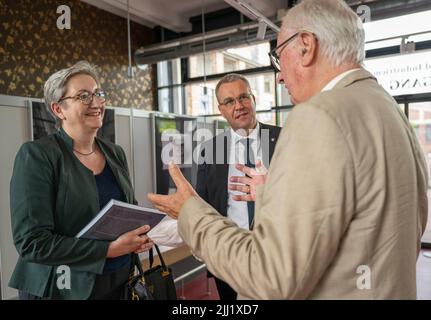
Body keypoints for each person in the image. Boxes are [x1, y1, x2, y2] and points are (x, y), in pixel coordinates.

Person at [148, 0, 428, 299]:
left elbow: (271, 277)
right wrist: (273, 195)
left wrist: (190, 212)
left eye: (279, 56)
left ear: (306, 46)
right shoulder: (387, 107)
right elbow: (373, 216)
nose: (279, 76)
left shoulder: (318, 115)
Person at [9, 61, 154, 299]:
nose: (96, 102)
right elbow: (32, 243)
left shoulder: (114, 152)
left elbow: (126, 210)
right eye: (83, 96)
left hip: (119, 281)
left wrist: (138, 235)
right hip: (62, 288)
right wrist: (108, 250)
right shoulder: (37, 155)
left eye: (98, 93)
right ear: (58, 110)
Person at [196, 73, 281, 300]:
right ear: (221, 109)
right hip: (230, 256)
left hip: (278, 255)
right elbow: (202, 205)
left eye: (243, 97)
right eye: (230, 101)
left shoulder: (284, 139)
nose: (239, 106)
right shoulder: (211, 150)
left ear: (253, 99)